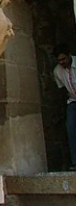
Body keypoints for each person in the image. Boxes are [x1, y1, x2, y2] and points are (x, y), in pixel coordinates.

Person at [53, 43, 76, 171]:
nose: (62, 62)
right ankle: (75, 162)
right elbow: (61, 90)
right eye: (59, 60)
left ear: (69, 56)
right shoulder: (57, 71)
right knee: (71, 129)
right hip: (72, 102)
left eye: (64, 59)